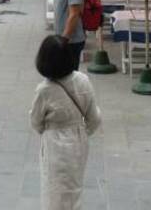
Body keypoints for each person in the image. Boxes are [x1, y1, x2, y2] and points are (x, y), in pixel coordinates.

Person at [30, 34, 102, 210]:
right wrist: (82, 132)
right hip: (78, 139)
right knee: (74, 187)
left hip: (54, 142)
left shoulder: (45, 90)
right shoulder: (83, 80)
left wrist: (48, 130)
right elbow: (94, 117)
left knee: (53, 190)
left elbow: (36, 121)